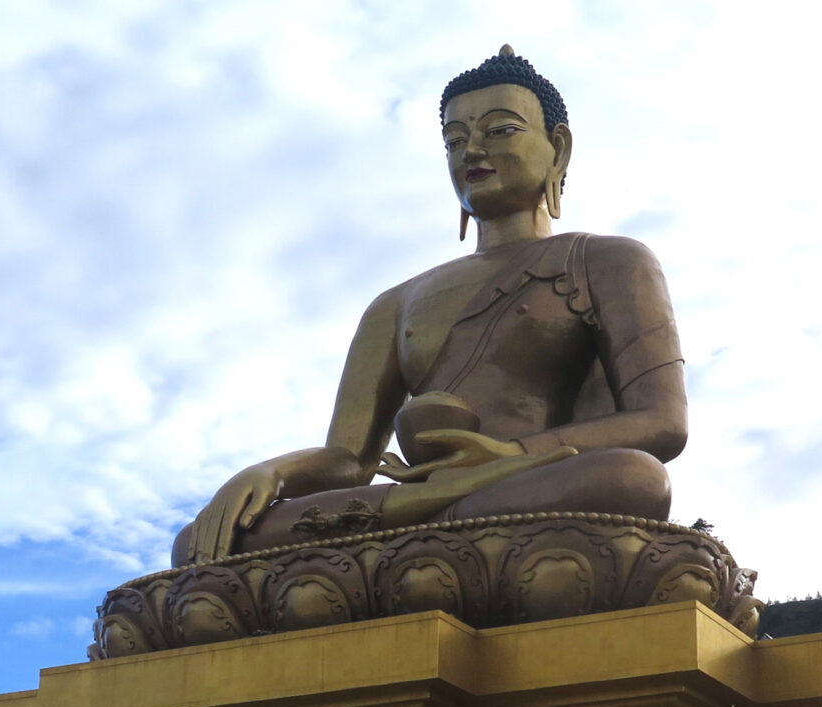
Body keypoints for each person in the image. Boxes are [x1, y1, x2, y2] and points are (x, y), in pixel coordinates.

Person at [171, 48, 687, 572]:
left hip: (535, 485)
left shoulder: (607, 260)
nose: (472, 151)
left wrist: (510, 457)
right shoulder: (396, 302)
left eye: (499, 130)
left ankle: (419, 542)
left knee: (633, 479)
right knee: (203, 539)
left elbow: (662, 421)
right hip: (428, 504)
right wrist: (270, 474)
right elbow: (350, 461)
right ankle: (433, 533)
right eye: (454, 140)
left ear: (558, 149)